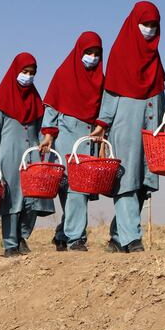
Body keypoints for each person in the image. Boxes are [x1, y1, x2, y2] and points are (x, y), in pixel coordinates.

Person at [90, 1, 165, 253]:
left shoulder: (155, 60)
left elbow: (159, 95)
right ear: (134, 25)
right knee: (127, 181)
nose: (149, 29)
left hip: (150, 128)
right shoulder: (120, 54)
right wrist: (102, 123)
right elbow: (110, 93)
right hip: (125, 126)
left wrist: (164, 126)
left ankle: (116, 236)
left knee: (143, 184)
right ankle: (132, 238)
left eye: (154, 26)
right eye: (145, 24)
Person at [0, 52, 55, 257]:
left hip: (32, 154)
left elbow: (42, 128)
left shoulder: (35, 100)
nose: (28, 76)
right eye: (24, 72)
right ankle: (10, 243)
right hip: (8, 155)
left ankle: (22, 236)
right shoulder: (1, 100)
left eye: (32, 73)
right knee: (11, 199)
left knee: (33, 198)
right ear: (15, 71)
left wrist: (46, 143)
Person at [39, 32, 105, 252]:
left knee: (80, 189)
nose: (93, 57)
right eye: (88, 52)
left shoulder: (100, 80)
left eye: (97, 53)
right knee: (73, 187)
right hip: (67, 137)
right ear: (79, 52)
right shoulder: (64, 74)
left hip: (89, 138)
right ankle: (75, 237)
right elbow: (52, 108)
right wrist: (48, 135)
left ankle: (64, 234)